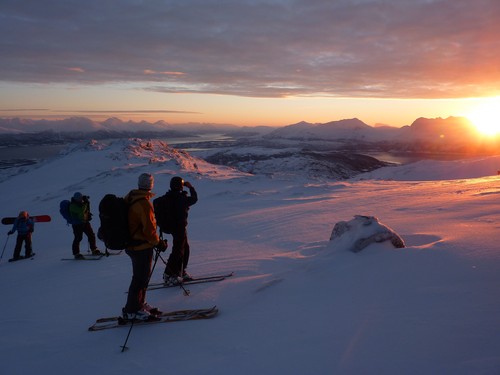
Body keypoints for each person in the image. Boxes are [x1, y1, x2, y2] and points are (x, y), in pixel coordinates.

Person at [122, 173, 167, 321]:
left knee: (140, 277)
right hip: (140, 247)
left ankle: (139, 304)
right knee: (140, 279)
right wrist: (159, 242)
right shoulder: (144, 203)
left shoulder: (131, 198)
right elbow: (149, 230)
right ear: (151, 185)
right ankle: (132, 310)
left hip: (132, 245)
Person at [161, 176, 198, 285]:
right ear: (181, 186)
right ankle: (169, 274)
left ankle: (180, 271)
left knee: (184, 248)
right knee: (178, 251)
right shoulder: (181, 198)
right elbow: (194, 198)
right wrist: (191, 187)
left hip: (174, 228)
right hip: (179, 228)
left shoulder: (168, 197)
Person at [69, 192, 101, 259]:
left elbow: (86, 210)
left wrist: (87, 204)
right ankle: (76, 253)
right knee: (78, 238)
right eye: (80, 198)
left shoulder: (82, 203)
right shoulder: (72, 206)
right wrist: (86, 202)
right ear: (76, 199)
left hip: (84, 222)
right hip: (77, 224)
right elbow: (81, 211)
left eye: (81, 198)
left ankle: (94, 249)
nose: (81, 199)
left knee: (91, 235)